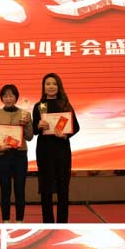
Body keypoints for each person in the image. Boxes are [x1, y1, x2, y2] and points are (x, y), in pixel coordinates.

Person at [33, 73, 80, 223]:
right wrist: (38, 125)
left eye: (54, 84)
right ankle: (48, 223)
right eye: (48, 84)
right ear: (43, 87)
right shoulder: (40, 106)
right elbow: (33, 130)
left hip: (62, 150)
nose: (51, 86)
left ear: (59, 86)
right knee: (46, 189)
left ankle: (62, 223)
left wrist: (65, 135)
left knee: (62, 188)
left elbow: (76, 127)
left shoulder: (65, 104)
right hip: (44, 151)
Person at [0, 83, 33, 223]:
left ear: (16, 97)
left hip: (20, 155)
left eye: (11, 96)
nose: (8, 98)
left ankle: (20, 220)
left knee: (20, 189)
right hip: (3, 156)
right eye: (5, 96)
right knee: (5, 189)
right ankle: (5, 220)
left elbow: (29, 137)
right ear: (1, 98)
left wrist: (27, 124)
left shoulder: (25, 114)